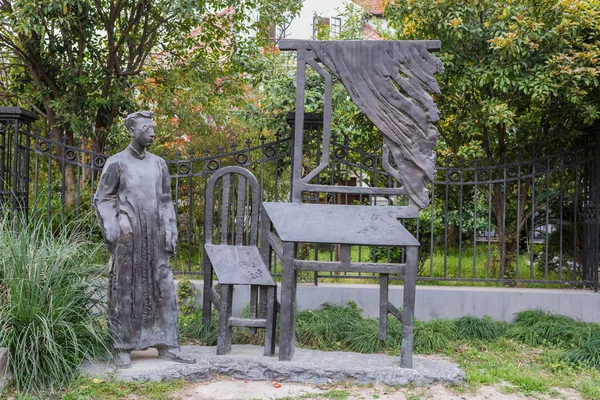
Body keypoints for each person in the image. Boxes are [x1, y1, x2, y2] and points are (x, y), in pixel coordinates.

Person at [94, 111, 195, 367]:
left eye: (153, 127)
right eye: (147, 128)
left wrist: (171, 230)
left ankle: (167, 343)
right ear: (132, 131)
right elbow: (103, 198)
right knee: (126, 287)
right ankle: (122, 345)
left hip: (156, 234)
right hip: (130, 236)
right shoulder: (117, 163)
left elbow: (165, 200)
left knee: (162, 285)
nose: (152, 132)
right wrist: (114, 228)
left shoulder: (159, 163)